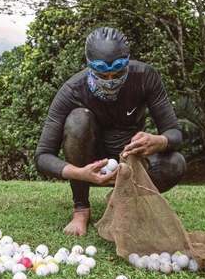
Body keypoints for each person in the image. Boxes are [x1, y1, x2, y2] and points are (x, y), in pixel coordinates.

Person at [34, 27, 186, 236]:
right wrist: (80, 173)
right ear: (89, 67)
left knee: (176, 163)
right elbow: (42, 156)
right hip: (91, 162)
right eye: (102, 75)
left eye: (117, 73)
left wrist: (158, 141)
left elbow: (174, 133)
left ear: (127, 63)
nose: (110, 80)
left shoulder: (145, 77)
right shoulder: (72, 90)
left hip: (131, 159)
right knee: (78, 120)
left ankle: (130, 204)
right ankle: (81, 210)